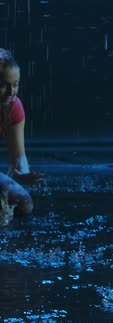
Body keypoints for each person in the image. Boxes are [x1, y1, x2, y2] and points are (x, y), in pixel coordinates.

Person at [0, 49, 45, 219]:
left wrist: (24, 173)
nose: (11, 91)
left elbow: (18, 156)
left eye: (15, 84)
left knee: (24, 203)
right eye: (4, 84)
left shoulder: (13, 107)